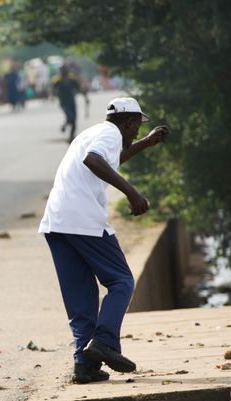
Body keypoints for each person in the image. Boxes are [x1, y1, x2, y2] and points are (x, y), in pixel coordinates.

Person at [39, 98, 169, 384]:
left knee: (81, 296)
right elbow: (95, 160)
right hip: (83, 220)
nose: (136, 133)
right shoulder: (110, 134)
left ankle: (84, 365)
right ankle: (105, 342)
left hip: (56, 222)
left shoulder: (93, 132)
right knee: (122, 281)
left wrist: (146, 143)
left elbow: (109, 159)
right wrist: (132, 193)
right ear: (129, 122)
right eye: (137, 128)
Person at [52, 65, 89, 142]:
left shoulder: (72, 79)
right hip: (63, 103)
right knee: (70, 116)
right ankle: (64, 124)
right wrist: (51, 96)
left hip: (72, 102)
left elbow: (79, 88)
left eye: (65, 70)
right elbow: (52, 89)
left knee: (74, 121)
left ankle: (71, 136)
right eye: (62, 71)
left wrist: (85, 97)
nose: (64, 72)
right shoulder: (57, 80)